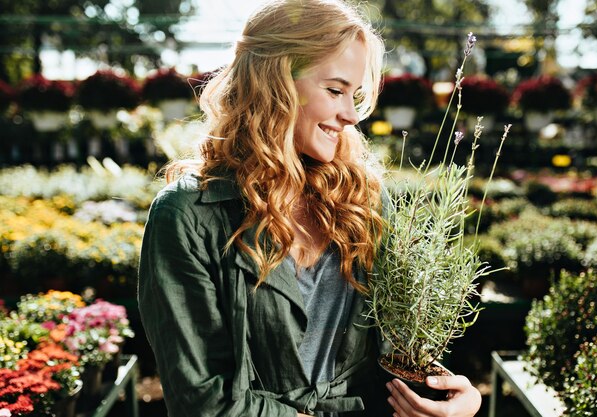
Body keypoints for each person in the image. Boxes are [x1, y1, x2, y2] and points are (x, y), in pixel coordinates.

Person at [137, 0, 482, 416]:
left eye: (354, 94)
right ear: (274, 82)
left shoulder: (363, 200)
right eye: (335, 90)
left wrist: (451, 397)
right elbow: (202, 401)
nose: (351, 115)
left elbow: (395, 349)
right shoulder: (189, 214)